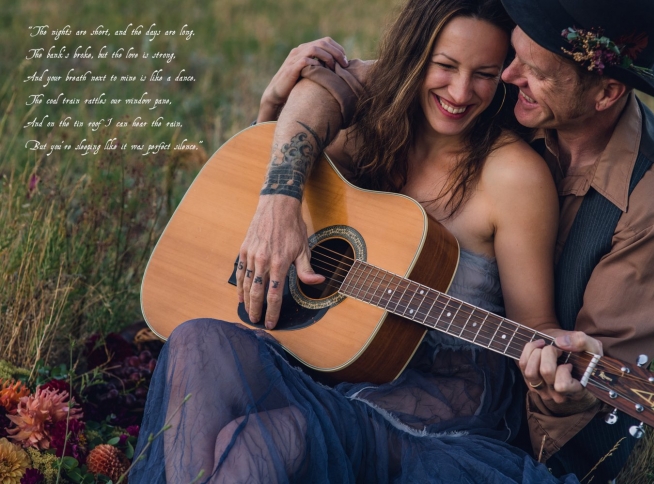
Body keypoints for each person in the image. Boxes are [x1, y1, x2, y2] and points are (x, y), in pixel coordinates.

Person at [130, 0, 586, 482]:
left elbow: (536, 324)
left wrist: (558, 366)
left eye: (485, 74)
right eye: (445, 66)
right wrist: (273, 129)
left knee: (262, 440)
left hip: (434, 402)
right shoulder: (372, 127)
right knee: (196, 339)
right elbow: (278, 149)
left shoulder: (512, 177)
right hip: (329, 366)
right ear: (413, 56)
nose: (459, 91)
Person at [242, 0, 654, 481]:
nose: (506, 75)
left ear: (605, 92)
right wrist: (277, 172)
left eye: (531, 69)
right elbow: (338, 86)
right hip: (363, 345)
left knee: (279, 434)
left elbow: (582, 380)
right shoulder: (494, 85)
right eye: (511, 56)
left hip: (504, 412)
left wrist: (562, 384)